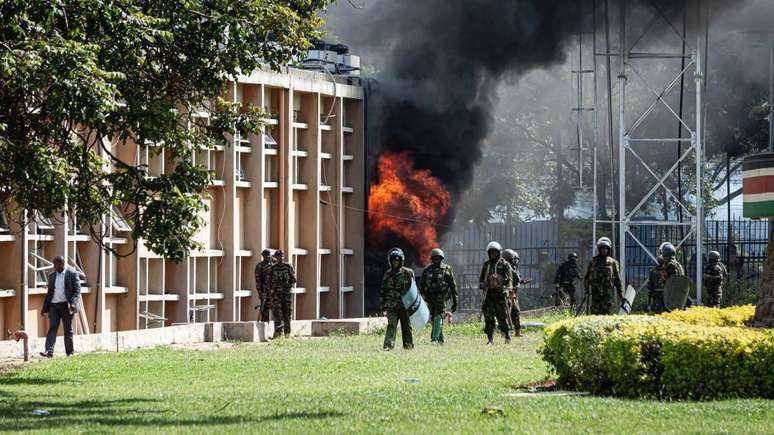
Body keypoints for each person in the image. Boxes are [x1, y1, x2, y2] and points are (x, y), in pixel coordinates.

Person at [40, 256, 81, 358]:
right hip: (54, 305)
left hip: (66, 305)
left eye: (56, 264)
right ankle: (48, 351)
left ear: (62, 264)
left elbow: (77, 290)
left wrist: (73, 303)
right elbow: (49, 293)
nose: (54, 267)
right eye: (54, 264)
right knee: (52, 328)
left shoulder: (72, 273)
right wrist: (44, 308)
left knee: (68, 329)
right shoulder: (52, 276)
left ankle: (70, 353)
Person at [419, 248, 458, 344]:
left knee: (438, 317)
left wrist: (455, 302)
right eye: (434, 258)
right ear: (432, 259)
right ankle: (440, 341)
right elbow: (421, 285)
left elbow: (453, 286)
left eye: (438, 258)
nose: (436, 260)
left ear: (441, 259)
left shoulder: (447, 269)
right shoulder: (427, 270)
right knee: (434, 319)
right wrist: (422, 298)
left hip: (441, 299)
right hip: (430, 299)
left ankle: (434, 339)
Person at [381, 248, 415, 350]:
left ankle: (408, 345)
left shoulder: (408, 273)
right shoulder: (387, 274)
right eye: (393, 260)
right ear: (390, 261)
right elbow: (383, 290)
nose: (395, 262)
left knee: (407, 327)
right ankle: (388, 346)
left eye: (398, 260)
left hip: (405, 306)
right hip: (391, 306)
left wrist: (414, 305)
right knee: (391, 325)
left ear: (401, 261)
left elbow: (413, 290)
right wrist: (383, 306)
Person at [479, 241, 512, 345]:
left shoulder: (505, 264)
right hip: (489, 294)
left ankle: (506, 335)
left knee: (502, 317)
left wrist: (506, 290)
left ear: (499, 252)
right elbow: (481, 280)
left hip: (500, 294)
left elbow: (509, 279)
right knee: (488, 318)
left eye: (495, 252)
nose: (493, 254)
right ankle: (490, 339)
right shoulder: (486, 265)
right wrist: (482, 285)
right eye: (491, 252)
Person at [583, 237, 623, 315]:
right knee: (595, 314)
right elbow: (587, 278)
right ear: (599, 249)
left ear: (608, 249)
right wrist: (587, 290)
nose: (604, 250)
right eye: (602, 248)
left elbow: (617, 280)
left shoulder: (612, 262)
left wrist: (621, 294)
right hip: (596, 294)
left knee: (608, 313)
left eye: (606, 248)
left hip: (607, 294)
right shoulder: (593, 262)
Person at [268, 250, 296, 338]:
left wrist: (287, 286)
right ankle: (278, 333)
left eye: (281, 256)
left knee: (287, 314)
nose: (280, 258)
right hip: (276, 295)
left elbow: (294, 280)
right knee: (277, 314)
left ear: (283, 257)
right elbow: (269, 283)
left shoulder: (288, 267)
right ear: (275, 257)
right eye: (278, 256)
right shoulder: (273, 268)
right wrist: (271, 295)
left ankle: (287, 334)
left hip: (286, 295)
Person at [502, 249, 528, 337]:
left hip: (513, 294)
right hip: (507, 294)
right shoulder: (504, 268)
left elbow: (516, 280)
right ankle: (504, 332)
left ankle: (517, 331)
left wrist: (522, 281)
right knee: (506, 313)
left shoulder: (513, 268)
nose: (515, 261)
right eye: (513, 259)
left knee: (516, 312)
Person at [254, 249, 274, 321]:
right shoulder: (260, 266)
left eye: (269, 255)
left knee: (277, 309)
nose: (268, 257)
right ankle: (264, 324)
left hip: (274, 290)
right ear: (263, 256)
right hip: (265, 290)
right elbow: (258, 281)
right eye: (266, 256)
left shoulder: (273, 265)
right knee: (265, 309)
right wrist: (260, 292)